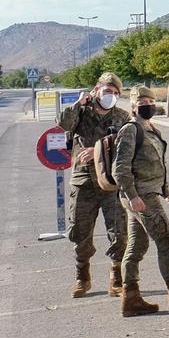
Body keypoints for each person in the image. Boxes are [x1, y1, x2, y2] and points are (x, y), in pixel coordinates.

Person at [113, 86, 169, 317]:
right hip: (141, 197)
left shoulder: (151, 128)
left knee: (137, 246)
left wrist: (166, 191)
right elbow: (120, 168)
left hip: (148, 194)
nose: (148, 104)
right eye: (142, 101)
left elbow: (156, 164)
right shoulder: (130, 130)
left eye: (150, 100)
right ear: (133, 106)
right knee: (167, 241)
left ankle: (131, 299)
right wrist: (132, 196)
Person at [58, 72, 129, 298]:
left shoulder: (122, 117)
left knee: (118, 232)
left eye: (116, 93)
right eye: (108, 91)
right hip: (83, 182)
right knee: (80, 231)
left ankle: (116, 277)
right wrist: (79, 103)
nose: (112, 96)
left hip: (110, 183)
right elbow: (62, 123)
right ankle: (82, 277)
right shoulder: (80, 113)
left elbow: (129, 146)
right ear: (96, 90)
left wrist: (98, 149)